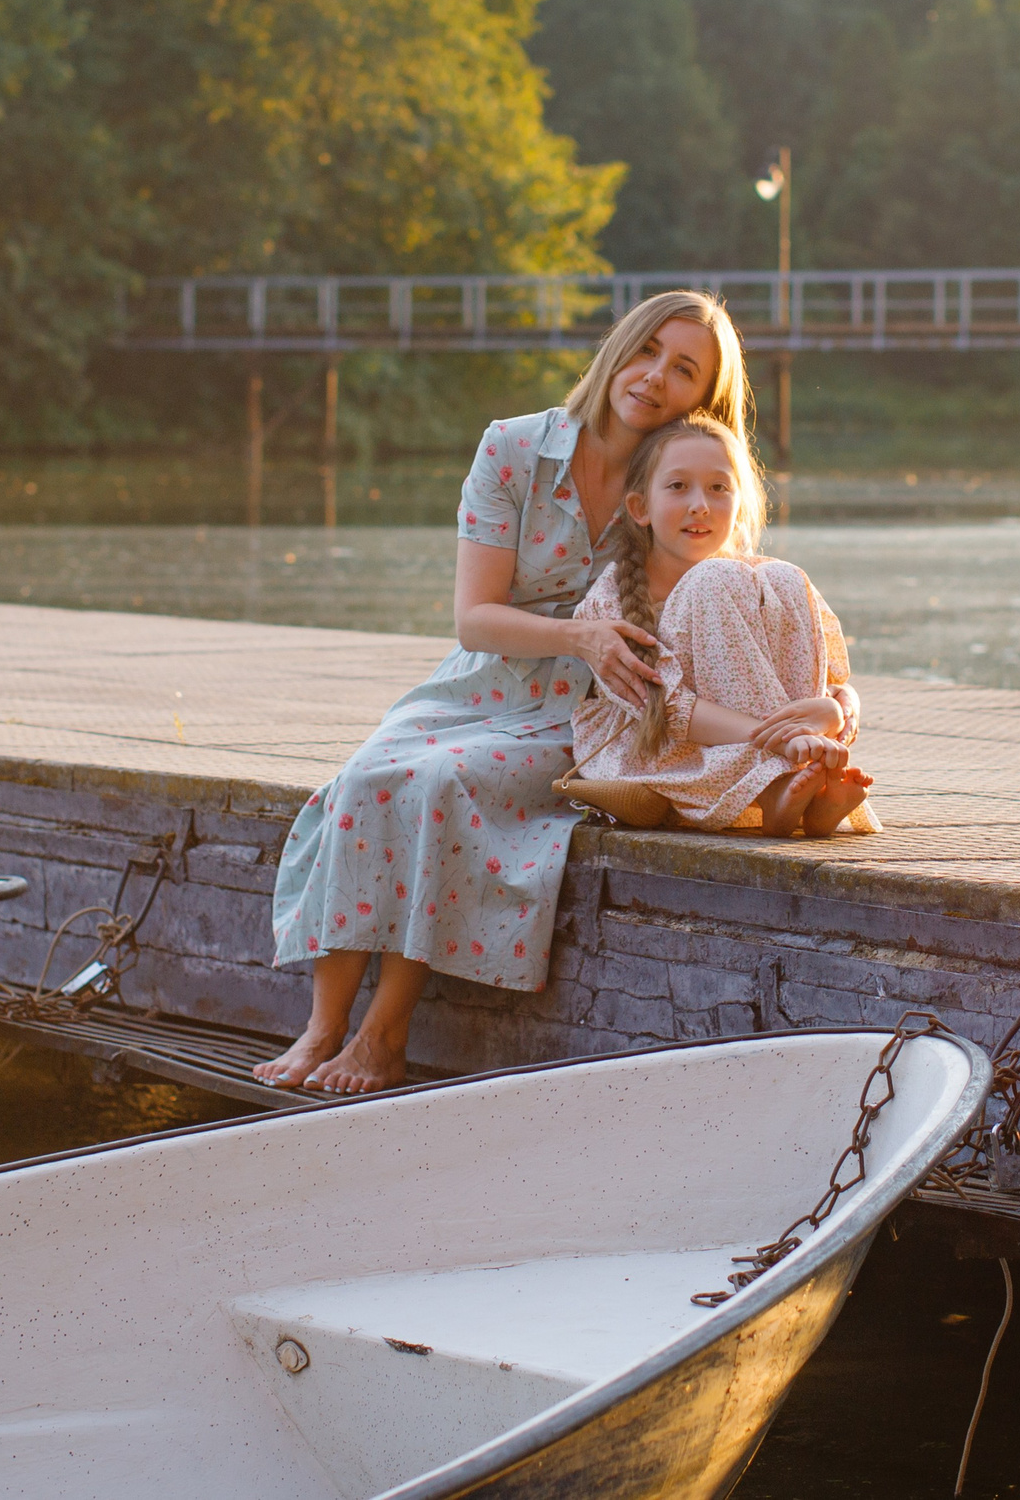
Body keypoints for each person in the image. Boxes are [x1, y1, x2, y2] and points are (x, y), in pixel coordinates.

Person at [251, 291, 753, 1094]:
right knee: (366, 778)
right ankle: (321, 1028)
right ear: (619, 346)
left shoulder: (680, 479)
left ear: (703, 397)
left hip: (587, 710)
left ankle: (383, 1035)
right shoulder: (514, 447)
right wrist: (577, 635)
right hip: (477, 684)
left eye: (684, 369)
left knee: (442, 781)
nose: (655, 376)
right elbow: (474, 618)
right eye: (647, 349)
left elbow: (719, 603)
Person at [566, 414, 875, 837]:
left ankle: (810, 793)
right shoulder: (613, 597)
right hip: (663, 742)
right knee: (712, 579)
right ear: (640, 508)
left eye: (718, 488)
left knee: (782, 575)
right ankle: (777, 788)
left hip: (768, 739)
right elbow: (667, 709)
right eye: (678, 486)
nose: (700, 504)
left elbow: (833, 678)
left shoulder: (765, 579)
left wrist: (839, 710)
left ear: (739, 504)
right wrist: (783, 742)